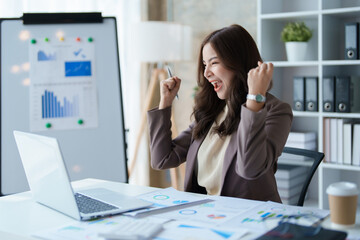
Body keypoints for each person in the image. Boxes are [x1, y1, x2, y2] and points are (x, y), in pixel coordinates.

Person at [147, 24, 293, 202]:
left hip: (252, 217)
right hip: (208, 214)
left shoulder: (276, 111)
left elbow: (250, 169)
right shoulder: (212, 112)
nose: (207, 73)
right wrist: (165, 103)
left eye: (214, 63)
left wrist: (255, 99)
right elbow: (162, 159)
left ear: (237, 62)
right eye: (204, 64)